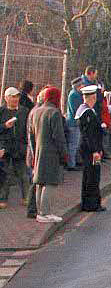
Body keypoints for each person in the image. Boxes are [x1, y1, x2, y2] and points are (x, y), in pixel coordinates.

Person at [27, 86, 68, 224]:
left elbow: (30, 135)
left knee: (39, 182)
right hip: (51, 153)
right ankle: (45, 212)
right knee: (50, 182)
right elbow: (59, 137)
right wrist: (64, 153)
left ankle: (40, 212)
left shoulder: (35, 111)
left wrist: (33, 153)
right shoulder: (54, 113)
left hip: (38, 151)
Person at [75, 84, 106, 212]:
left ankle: (91, 202)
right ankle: (91, 204)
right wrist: (95, 151)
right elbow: (89, 134)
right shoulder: (86, 113)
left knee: (91, 175)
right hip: (90, 150)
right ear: (91, 97)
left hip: (92, 149)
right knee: (92, 176)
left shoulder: (86, 111)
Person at [0, 87, 30, 209]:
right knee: (5, 175)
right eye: (12, 96)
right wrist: (5, 126)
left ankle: (26, 198)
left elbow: (28, 129)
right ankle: (3, 199)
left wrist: (28, 146)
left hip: (20, 147)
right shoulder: (1, 111)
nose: (15, 99)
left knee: (23, 174)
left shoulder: (24, 111)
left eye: (17, 96)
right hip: (5, 147)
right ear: (6, 98)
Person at [63, 77, 84, 171]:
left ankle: (72, 162)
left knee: (74, 144)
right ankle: (71, 164)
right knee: (73, 144)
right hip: (73, 123)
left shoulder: (74, 94)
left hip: (73, 122)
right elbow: (77, 109)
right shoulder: (75, 95)